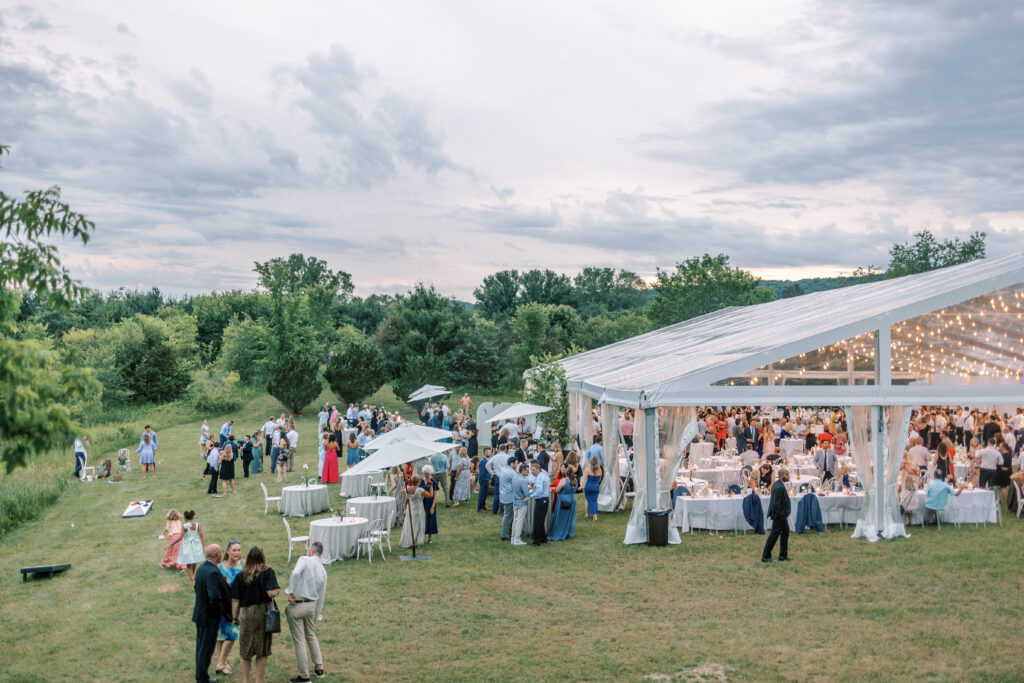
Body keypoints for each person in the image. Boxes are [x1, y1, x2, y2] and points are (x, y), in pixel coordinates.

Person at [230, 546, 280, 683]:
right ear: (262, 557)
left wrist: (235, 618)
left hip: (246, 614)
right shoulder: (268, 572)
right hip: (264, 613)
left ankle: (245, 681)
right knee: (262, 650)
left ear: (249, 558)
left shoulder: (241, 576)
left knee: (245, 650)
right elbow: (273, 592)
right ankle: (258, 681)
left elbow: (235, 600)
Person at [284, 542, 327, 683]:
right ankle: (319, 667)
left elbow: (296, 573)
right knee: (311, 636)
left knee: (299, 640)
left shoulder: (304, 559)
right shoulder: (322, 570)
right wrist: (317, 614)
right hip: (312, 606)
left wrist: (291, 591)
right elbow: (322, 594)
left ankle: (304, 675)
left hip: (298, 604)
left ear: (312, 551)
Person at [192, 544, 231, 683]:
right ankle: (202, 679)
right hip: (209, 617)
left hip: (200, 613)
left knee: (201, 648)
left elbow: (198, 587)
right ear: (217, 555)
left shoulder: (202, 568)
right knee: (206, 650)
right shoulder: (213, 572)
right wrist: (219, 611)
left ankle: (201, 676)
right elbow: (213, 596)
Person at [214, 541, 244, 677]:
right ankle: (222, 663)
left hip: (236, 606)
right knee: (221, 636)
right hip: (221, 606)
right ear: (228, 552)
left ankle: (221, 663)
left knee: (232, 634)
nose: (237, 553)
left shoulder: (243, 565)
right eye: (234, 550)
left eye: (238, 550)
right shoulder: (219, 567)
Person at [761, 469, 792, 563]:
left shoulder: (777, 484)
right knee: (774, 535)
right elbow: (776, 503)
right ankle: (766, 556)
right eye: (787, 474)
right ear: (781, 475)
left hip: (780, 514)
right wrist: (781, 514)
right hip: (779, 515)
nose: (789, 476)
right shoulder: (779, 487)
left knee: (785, 532)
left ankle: (783, 555)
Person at [548, 465, 577, 541]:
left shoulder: (564, 480)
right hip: (573, 499)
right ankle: (569, 533)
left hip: (564, 499)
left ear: (566, 473)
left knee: (561, 517)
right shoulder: (575, 480)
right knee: (570, 516)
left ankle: (559, 532)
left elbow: (557, 490)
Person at [177, 510, 207, 584]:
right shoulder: (197, 525)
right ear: (192, 517)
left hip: (188, 544)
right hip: (196, 544)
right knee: (194, 561)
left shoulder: (185, 526)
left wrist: (171, 543)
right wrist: (204, 546)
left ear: (185, 518)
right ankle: (194, 576)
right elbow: (201, 535)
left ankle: (193, 580)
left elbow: (180, 537)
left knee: (188, 564)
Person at [529, 460, 551, 546]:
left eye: (533, 470)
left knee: (537, 521)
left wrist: (531, 496)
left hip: (541, 500)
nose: (532, 472)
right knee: (541, 520)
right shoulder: (543, 475)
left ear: (538, 469)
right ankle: (542, 538)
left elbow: (539, 490)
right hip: (544, 500)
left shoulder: (540, 477)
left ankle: (536, 541)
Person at [399, 475, 425, 548]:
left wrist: (405, 484)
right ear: (419, 482)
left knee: (409, 525)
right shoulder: (420, 490)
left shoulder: (407, 489)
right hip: (419, 508)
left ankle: (409, 541)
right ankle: (417, 541)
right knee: (418, 524)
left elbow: (402, 491)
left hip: (411, 508)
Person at [510, 463, 531, 546]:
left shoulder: (514, 477)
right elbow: (526, 493)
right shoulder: (523, 480)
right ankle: (517, 539)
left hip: (515, 501)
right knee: (519, 521)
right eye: (527, 471)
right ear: (523, 471)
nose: (528, 472)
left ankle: (513, 538)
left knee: (515, 520)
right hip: (522, 502)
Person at [420, 465, 439, 544]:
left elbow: (435, 495)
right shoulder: (420, 481)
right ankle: (420, 537)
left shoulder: (433, 482)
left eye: (427, 474)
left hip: (430, 502)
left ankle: (430, 537)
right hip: (422, 502)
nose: (425, 475)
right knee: (422, 519)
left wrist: (433, 506)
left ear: (430, 473)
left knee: (430, 519)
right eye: (424, 473)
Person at [583, 456, 602, 521]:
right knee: (594, 500)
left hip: (588, 486)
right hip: (596, 486)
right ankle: (595, 515)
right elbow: (599, 479)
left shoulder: (588, 469)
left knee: (588, 499)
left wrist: (581, 486)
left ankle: (587, 513)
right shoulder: (599, 470)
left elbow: (585, 479)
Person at [476, 447, 492, 512]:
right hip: (483, 480)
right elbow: (482, 473)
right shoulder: (483, 461)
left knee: (485, 494)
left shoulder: (486, 460)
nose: (489, 453)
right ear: (485, 453)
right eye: (488, 452)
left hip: (486, 479)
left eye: (490, 452)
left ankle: (483, 506)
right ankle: (480, 508)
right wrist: (488, 477)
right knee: (482, 494)